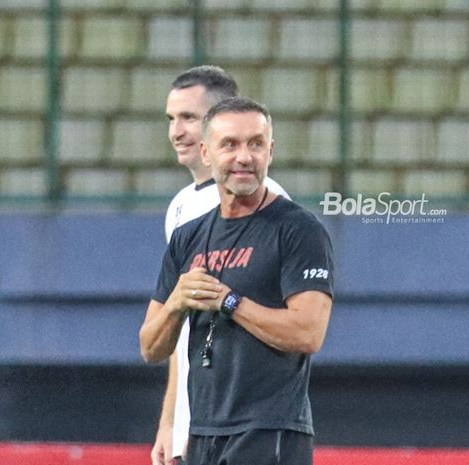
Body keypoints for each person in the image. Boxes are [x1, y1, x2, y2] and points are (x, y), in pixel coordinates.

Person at [140, 97, 333, 465]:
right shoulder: (188, 236)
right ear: (206, 153)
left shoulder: (298, 230)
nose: (244, 156)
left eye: (256, 144)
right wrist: (177, 304)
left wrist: (231, 302)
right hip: (202, 432)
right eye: (230, 144)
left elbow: (309, 333)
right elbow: (150, 347)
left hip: (270, 430)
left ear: (270, 152)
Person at [154, 66, 290, 465]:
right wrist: (170, 421)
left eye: (189, 118)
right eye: (171, 119)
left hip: (246, 424)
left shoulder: (267, 206)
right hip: (195, 426)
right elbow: (184, 329)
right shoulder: (181, 207)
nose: (176, 131)